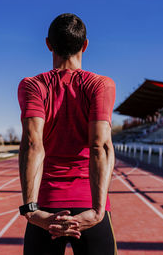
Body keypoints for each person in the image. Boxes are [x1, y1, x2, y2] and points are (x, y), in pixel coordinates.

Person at [18, 13, 117, 255]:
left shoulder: (33, 85)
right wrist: (97, 210)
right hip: (90, 204)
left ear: (48, 44)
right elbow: (100, 146)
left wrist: (31, 209)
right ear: (85, 45)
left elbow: (33, 144)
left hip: (46, 208)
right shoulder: (101, 85)